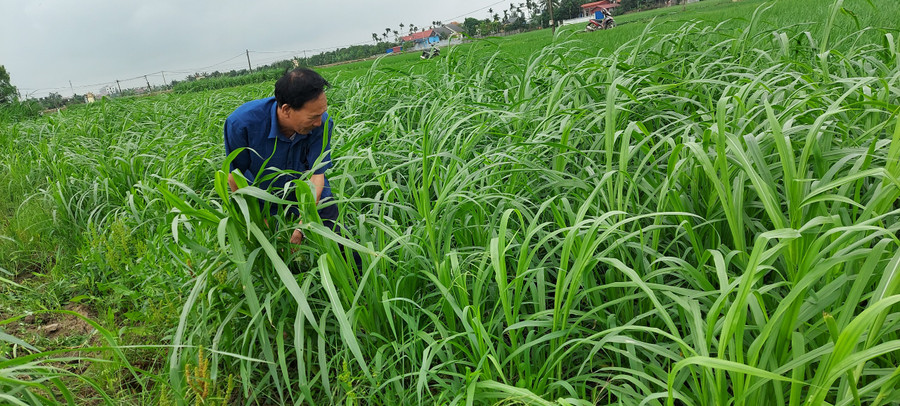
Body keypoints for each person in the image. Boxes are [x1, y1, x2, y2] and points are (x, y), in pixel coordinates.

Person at [223, 68, 337, 246]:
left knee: (340, 252)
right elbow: (235, 178)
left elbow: (317, 176)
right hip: (267, 204)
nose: (319, 122)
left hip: (312, 199)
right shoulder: (242, 124)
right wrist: (263, 224)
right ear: (286, 110)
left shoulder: (322, 123)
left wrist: (303, 225)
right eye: (313, 116)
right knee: (281, 263)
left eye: (322, 113)